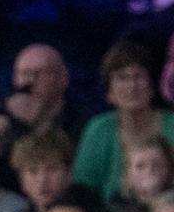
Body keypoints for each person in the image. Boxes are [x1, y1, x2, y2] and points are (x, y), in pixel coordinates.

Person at [73, 41, 174, 202]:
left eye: (139, 76)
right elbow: (83, 189)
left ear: (152, 84)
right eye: (122, 78)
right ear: (109, 91)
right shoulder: (98, 129)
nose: (132, 86)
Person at [0, 44, 85, 179]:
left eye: (38, 73)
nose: (29, 81)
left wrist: (36, 126)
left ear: (63, 78)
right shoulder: (3, 114)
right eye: (23, 73)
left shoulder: (83, 119)